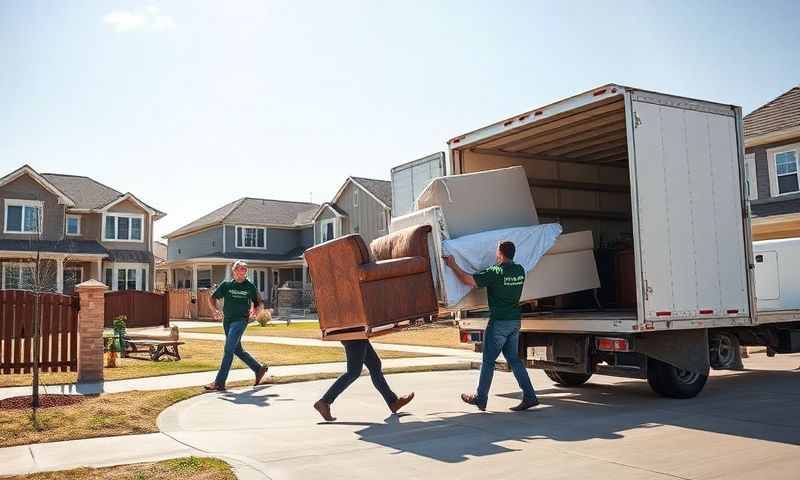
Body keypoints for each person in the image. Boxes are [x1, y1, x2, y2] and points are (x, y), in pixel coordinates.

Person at [444, 241, 539, 412]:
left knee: (488, 361)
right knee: (514, 360)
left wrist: (453, 265)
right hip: (514, 322)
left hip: (499, 323)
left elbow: (468, 280)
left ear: (499, 253)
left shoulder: (495, 272)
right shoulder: (520, 271)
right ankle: (530, 396)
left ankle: (481, 398)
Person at [204, 260, 269, 391]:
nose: (242, 272)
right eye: (239, 269)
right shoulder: (226, 285)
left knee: (228, 350)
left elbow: (259, 302)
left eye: (244, 270)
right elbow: (212, 297)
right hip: (227, 321)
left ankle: (219, 382)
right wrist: (215, 310)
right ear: (234, 271)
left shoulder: (249, 286)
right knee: (237, 350)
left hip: (241, 321)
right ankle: (258, 368)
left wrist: (255, 311)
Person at [313, 339, 415, 421]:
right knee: (354, 371)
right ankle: (324, 402)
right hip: (353, 333)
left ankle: (393, 402)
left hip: (358, 333)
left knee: (374, 365)